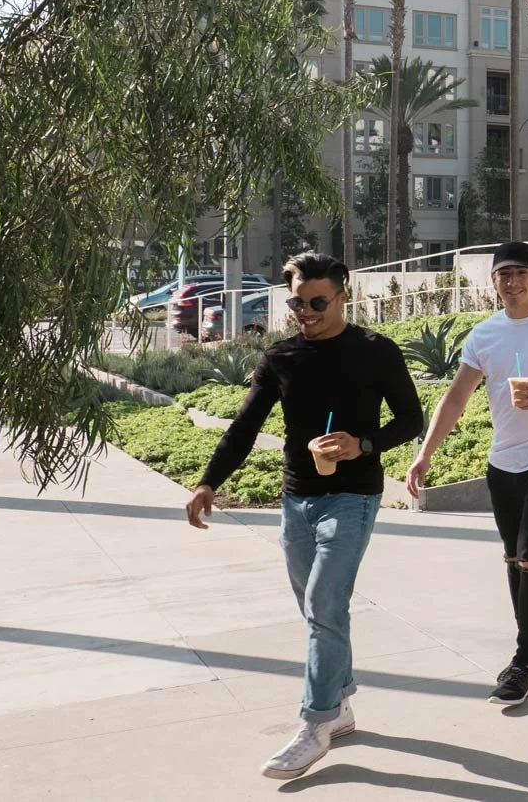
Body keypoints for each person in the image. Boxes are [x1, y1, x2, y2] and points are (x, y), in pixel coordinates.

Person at [185, 252, 423, 780]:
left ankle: (314, 726)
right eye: (297, 301)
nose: (306, 311)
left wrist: (362, 444)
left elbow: (411, 419)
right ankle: (339, 705)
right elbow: (245, 426)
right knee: (320, 612)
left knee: (323, 602)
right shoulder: (281, 357)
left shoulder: (374, 351)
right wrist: (209, 481)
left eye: (318, 302)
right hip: (296, 497)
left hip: (355, 496)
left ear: (343, 295)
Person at [405, 240, 528, 708]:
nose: (512, 282)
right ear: (492, 282)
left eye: (521, 273)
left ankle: (521, 661)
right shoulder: (485, 336)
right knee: (513, 559)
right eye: (503, 275)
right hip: (503, 461)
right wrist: (426, 454)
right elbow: (455, 398)